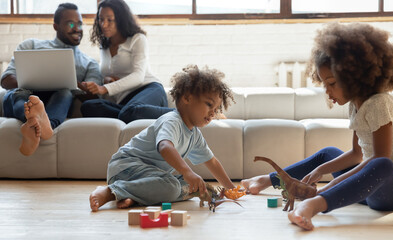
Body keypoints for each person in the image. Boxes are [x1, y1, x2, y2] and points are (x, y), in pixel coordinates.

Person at [241, 22, 393, 231]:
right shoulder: (355, 104)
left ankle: (313, 205)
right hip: (367, 188)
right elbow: (355, 154)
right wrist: (319, 170)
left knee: (382, 164)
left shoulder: (379, 103)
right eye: (324, 84)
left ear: (355, 77)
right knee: (328, 154)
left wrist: (332, 184)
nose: (327, 91)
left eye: (332, 83)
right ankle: (267, 180)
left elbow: (380, 159)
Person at [89, 65, 236, 211]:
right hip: (126, 168)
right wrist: (187, 172)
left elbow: (212, 162)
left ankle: (132, 196)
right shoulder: (172, 120)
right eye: (209, 104)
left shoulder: (195, 135)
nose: (213, 113)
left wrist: (230, 189)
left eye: (216, 109)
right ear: (187, 98)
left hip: (147, 178)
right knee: (172, 186)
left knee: (196, 187)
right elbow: (165, 147)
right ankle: (110, 191)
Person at [1, 3, 102, 156]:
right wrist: (36, 79)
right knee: (18, 94)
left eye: (80, 24)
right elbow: (6, 80)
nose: (77, 28)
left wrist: (72, 83)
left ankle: (36, 124)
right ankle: (37, 120)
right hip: (26, 96)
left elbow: (94, 97)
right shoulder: (31, 45)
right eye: (70, 23)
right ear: (56, 26)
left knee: (65, 93)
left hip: (56, 101)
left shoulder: (89, 63)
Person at [80, 0, 173, 123]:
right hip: (125, 101)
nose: (104, 24)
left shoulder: (138, 39)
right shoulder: (104, 45)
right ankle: (130, 114)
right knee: (88, 106)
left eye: (109, 20)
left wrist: (105, 88)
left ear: (121, 20)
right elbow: (108, 73)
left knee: (131, 111)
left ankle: (180, 114)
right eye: (101, 19)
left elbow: (138, 76)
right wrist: (105, 80)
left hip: (148, 89)